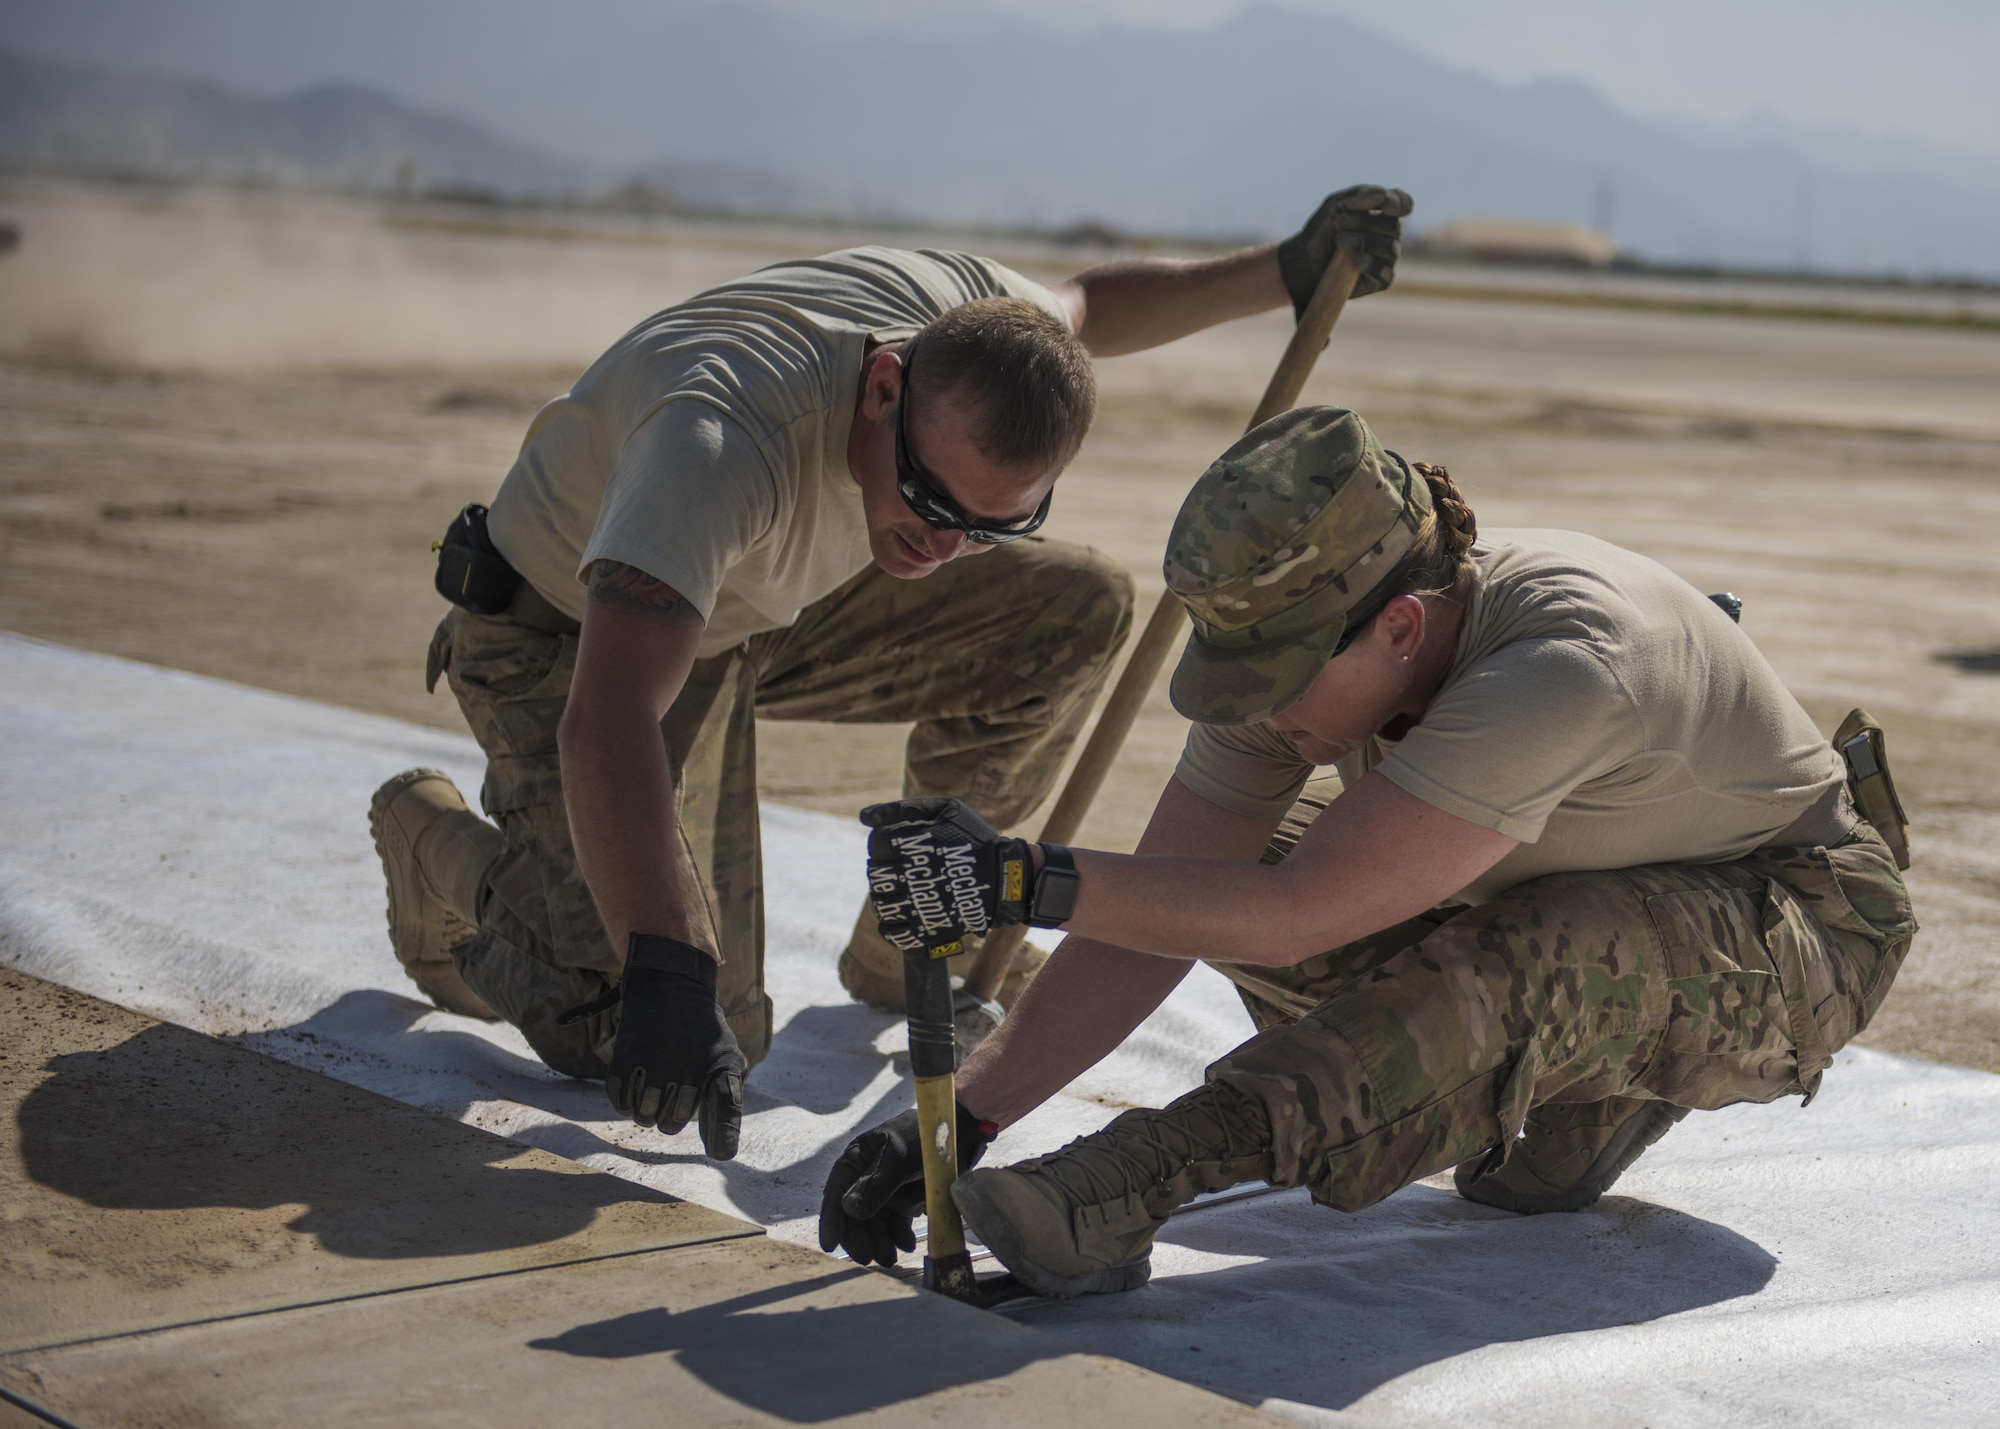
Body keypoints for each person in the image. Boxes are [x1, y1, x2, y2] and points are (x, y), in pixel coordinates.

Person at [366, 188, 1415, 1160]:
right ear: (881, 384)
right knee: (650, 1018)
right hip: (569, 636)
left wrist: (1283, 267)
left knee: (1074, 604)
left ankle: (909, 942)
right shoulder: (718, 441)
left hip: (763, 606)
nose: (942, 546)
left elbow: (1091, 304)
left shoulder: (974, 330)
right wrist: (666, 965)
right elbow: (606, 718)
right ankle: (439, 849)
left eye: (986, 526)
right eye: (929, 501)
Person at [823, 404, 1916, 1296]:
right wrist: (963, 1118)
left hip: (1799, 928)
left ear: (1399, 627)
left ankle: (1130, 1182)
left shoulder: (1564, 662)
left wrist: (1020, 880)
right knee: (1215, 884)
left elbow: (1308, 911)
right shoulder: (1312, 634)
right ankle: (1593, 1096)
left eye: (1276, 678)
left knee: (1529, 948)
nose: (1256, 707)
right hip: (1594, 893)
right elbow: (1153, 917)